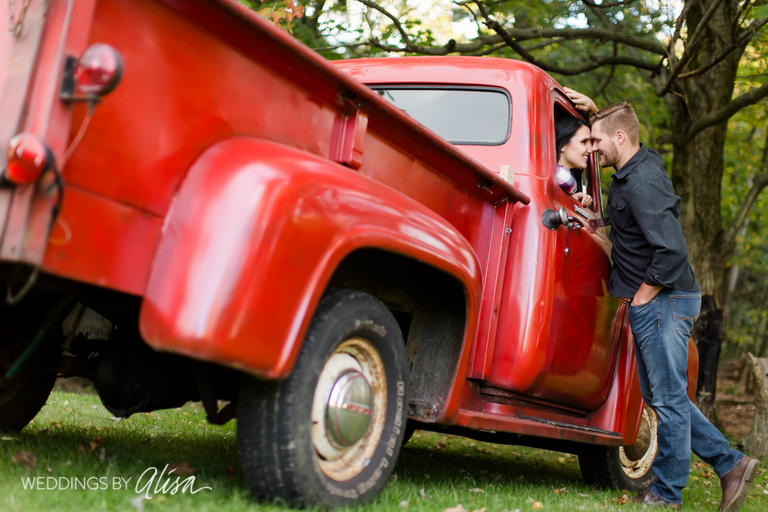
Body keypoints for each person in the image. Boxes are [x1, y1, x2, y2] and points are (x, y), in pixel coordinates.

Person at [588, 100, 757, 511]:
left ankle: (666, 492)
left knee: (666, 398)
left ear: (621, 137)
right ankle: (731, 464)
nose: (592, 148)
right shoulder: (629, 174)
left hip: (664, 299)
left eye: (597, 140)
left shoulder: (642, 181)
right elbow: (634, 229)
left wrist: (644, 295)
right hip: (658, 299)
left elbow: (672, 250)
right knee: (665, 397)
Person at [554, 115, 593, 207]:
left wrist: (573, 197)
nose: (590, 150)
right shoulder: (562, 178)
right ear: (563, 145)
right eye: (584, 142)